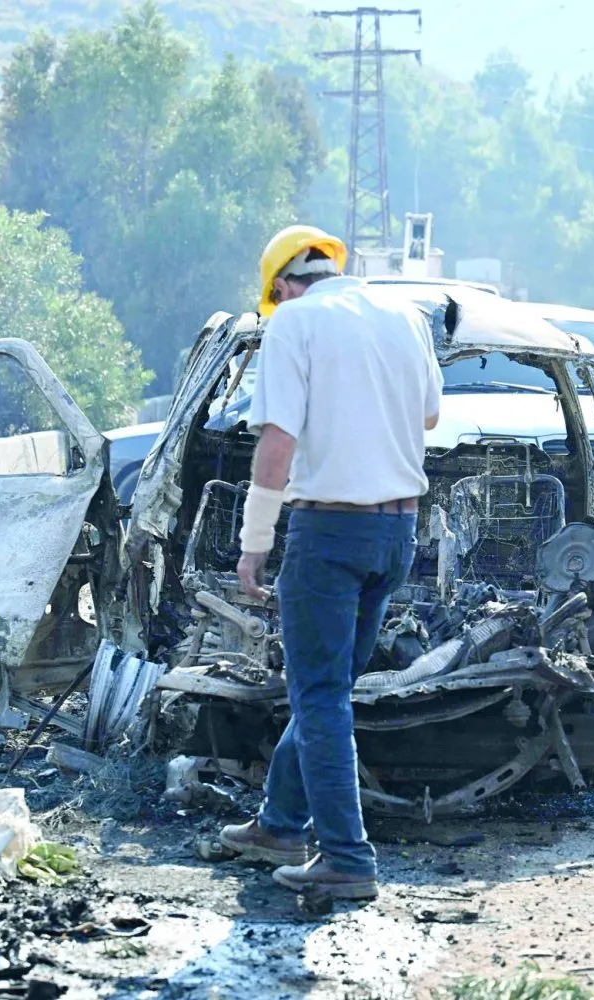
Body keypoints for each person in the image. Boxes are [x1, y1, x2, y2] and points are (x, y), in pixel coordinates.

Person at [217, 224, 443, 901]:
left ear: (283, 287)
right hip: (398, 531)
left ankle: (347, 857)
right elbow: (430, 417)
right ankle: (281, 824)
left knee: (317, 697)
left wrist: (254, 542)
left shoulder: (294, 323)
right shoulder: (405, 316)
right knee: (329, 692)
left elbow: (277, 443)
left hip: (329, 532)